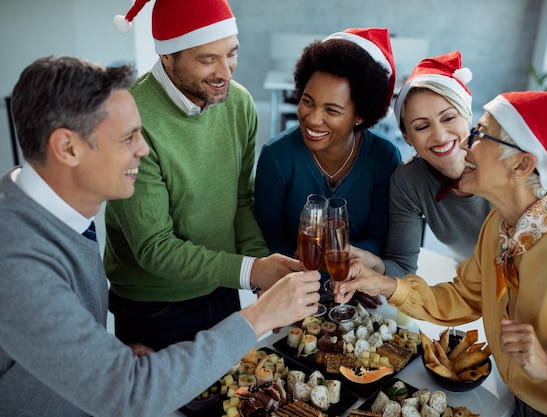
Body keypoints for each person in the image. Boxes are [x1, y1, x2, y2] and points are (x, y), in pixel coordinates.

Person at [0, 55, 320, 417]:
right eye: (128, 137)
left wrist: (107, 354)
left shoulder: (48, 210)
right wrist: (259, 316)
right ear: (67, 148)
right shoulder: (16, 263)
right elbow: (130, 395)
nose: (144, 149)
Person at [335, 88, 547, 416]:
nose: (465, 143)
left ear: (522, 164)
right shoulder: (499, 225)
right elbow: (464, 297)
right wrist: (384, 284)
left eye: (481, 134)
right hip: (518, 400)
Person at [105, 0, 303, 351]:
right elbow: (154, 248)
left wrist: (262, 274)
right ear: (167, 56)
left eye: (231, 54)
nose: (225, 72)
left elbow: (241, 201)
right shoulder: (129, 120)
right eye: (207, 59)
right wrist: (252, 271)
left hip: (224, 290)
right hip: (156, 307)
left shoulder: (239, 104)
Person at [254, 28, 402, 297]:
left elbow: (379, 239)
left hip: (358, 287)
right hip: (294, 289)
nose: (312, 119)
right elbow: (268, 240)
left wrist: (344, 265)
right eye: (307, 102)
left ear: (360, 115)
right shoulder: (276, 156)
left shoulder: (384, 158)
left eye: (331, 110)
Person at [349, 51, 491, 277]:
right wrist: (375, 265)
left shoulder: (506, 158)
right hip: (473, 284)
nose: (440, 135)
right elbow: (403, 269)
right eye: (422, 127)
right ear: (407, 138)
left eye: (448, 118)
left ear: (467, 116)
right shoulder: (409, 180)